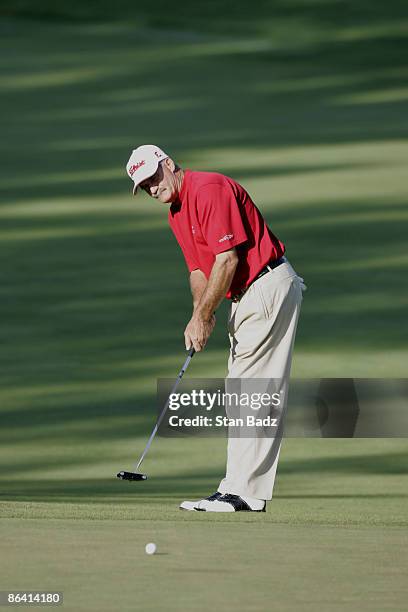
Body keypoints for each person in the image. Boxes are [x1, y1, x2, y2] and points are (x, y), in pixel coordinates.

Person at [126, 144, 305, 512]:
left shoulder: (208, 189)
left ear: (169, 164)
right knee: (242, 390)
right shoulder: (176, 212)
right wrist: (197, 314)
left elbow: (227, 259)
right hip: (246, 296)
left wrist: (205, 316)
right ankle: (237, 488)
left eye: (154, 178)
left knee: (252, 392)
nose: (153, 188)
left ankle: (244, 492)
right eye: (144, 186)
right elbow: (199, 270)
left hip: (265, 285)